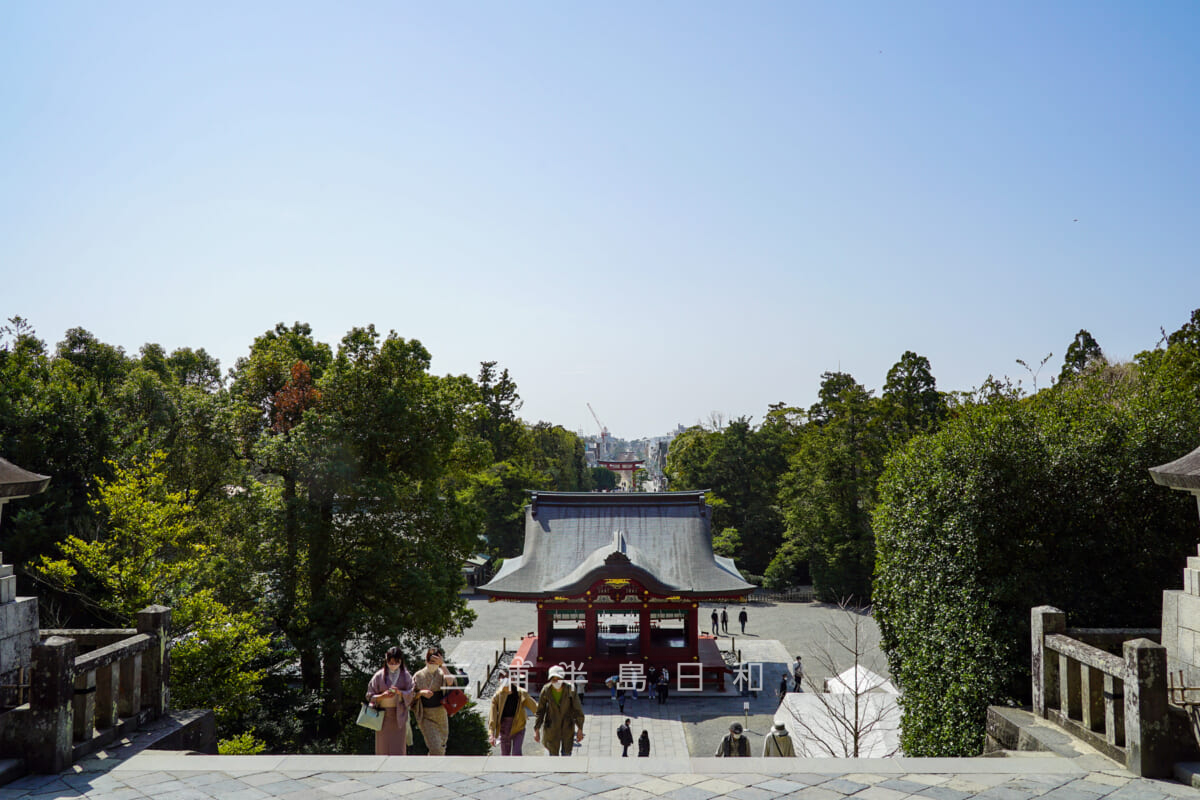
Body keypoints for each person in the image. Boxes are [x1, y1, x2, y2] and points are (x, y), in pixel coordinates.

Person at [365, 646, 414, 755]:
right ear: (386, 661)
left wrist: (400, 693)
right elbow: (369, 695)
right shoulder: (378, 676)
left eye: (396, 662)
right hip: (382, 716)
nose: (393, 665)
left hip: (399, 716)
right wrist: (382, 696)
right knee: (382, 748)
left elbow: (411, 693)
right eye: (390, 662)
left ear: (400, 661)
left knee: (398, 748)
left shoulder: (406, 676)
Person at [533, 665, 585, 755]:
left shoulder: (570, 689)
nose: (556, 681)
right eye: (553, 679)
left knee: (567, 753)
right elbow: (540, 711)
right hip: (552, 726)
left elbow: (577, 709)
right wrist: (536, 729)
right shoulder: (546, 690)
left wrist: (580, 728)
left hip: (567, 726)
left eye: (558, 679)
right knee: (553, 754)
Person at [412, 646, 453, 755]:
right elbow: (411, 696)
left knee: (441, 745)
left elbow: (450, 682)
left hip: (441, 714)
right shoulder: (419, 675)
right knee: (435, 746)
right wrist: (421, 693)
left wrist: (442, 665)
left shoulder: (441, 674)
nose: (433, 664)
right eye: (431, 662)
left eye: (436, 662)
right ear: (426, 661)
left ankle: (433, 767)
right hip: (426, 715)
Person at [488, 668, 537, 756]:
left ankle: (517, 770)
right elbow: (493, 716)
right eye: (502, 677)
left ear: (512, 678)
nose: (504, 679)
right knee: (505, 754)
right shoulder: (497, 696)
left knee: (516, 753)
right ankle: (505, 770)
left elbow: (535, 708)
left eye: (507, 676)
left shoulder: (521, 693)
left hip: (519, 726)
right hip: (504, 728)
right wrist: (491, 734)